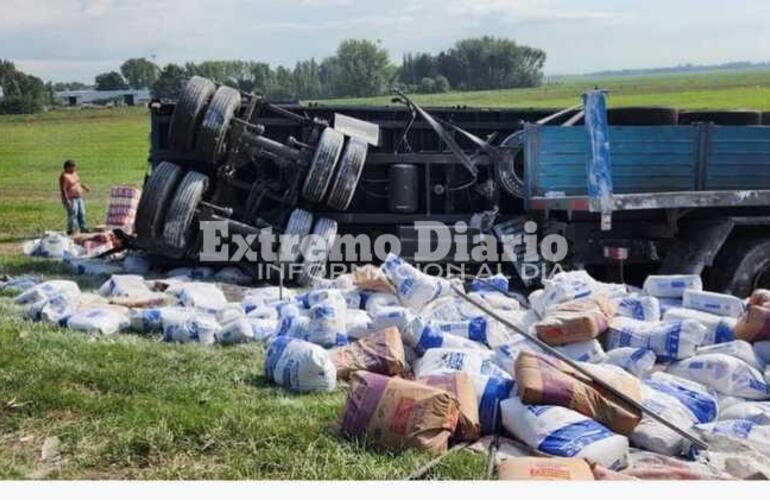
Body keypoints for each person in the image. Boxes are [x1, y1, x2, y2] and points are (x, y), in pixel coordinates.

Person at [59, 159, 91, 235]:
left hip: (79, 197)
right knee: (73, 215)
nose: (74, 169)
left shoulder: (74, 173)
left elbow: (78, 182)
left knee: (82, 213)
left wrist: (84, 187)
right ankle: (71, 230)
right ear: (67, 167)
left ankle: (83, 228)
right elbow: (63, 189)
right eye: (72, 167)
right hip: (71, 199)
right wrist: (67, 200)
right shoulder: (64, 176)